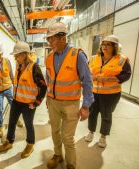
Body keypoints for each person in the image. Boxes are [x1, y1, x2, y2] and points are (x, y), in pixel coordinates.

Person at [45, 22, 94, 169]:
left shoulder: (77, 55)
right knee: (54, 131)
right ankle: (58, 154)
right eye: (48, 39)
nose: (49, 42)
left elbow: (88, 82)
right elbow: (49, 79)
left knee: (68, 137)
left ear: (62, 37)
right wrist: (48, 98)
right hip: (53, 102)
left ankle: (71, 164)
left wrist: (86, 106)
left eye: (51, 39)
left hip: (71, 104)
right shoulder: (49, 57)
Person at [0, 41, 47, 158]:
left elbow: (43, 86)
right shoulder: (18, 66)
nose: (15, 57)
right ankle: (9, 141)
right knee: (12, 122)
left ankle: (30, 144)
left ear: (25, 54)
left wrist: (37, 102)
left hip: (28, 104)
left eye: (17, 55)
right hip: (16, 101)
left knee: (28, 125)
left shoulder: (34, 67)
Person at [84, 35, 131, 148]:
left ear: (114, 47)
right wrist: (91, 78)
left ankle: (103, 137)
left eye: (108, 44)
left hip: (111, 94)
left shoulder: (121, 59)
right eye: (103, 44)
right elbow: (86, 72)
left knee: (106, 115)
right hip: (94, 92)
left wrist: (111, 79)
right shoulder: (94, 58)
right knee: (92, 113)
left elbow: (126, 74)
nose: (104, 46)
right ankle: (91, 132)